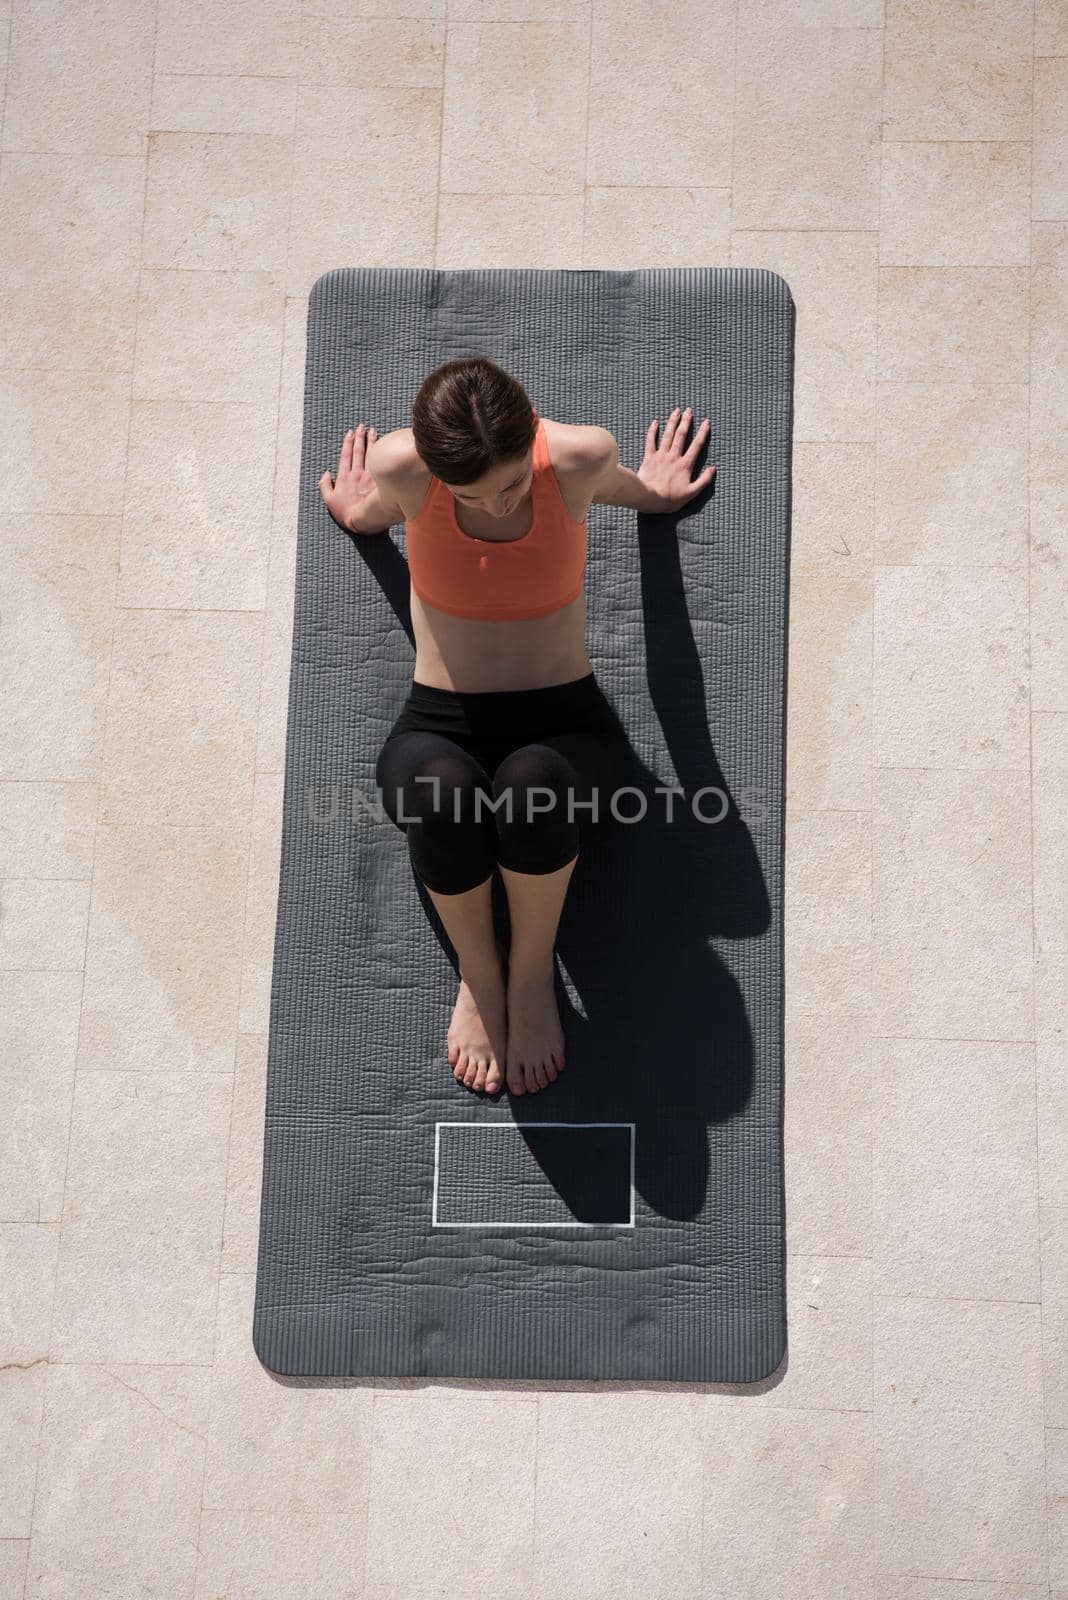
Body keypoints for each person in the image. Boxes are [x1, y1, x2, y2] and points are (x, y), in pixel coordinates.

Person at [318, 358, 714, 1099]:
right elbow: (372, 512)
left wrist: (656, 494)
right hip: (439, 721)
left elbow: (626, 490)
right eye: (474, 496)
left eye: (510, 485)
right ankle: (479, 974)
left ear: (531, 436)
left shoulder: (576, 456)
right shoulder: (401, 466)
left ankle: (529, 978)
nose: (499, 508)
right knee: (441, 797)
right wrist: (353, 511)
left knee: (530, 791)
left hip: (567, 731)